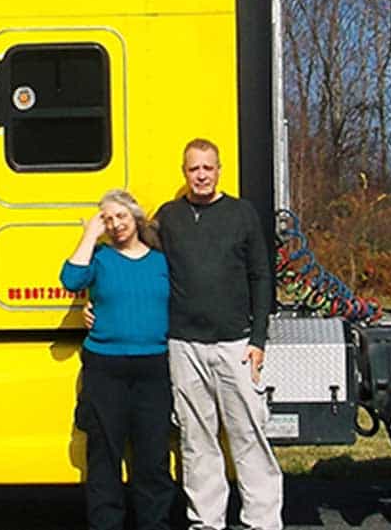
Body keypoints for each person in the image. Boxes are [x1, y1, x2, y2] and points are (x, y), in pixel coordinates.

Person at [154, 138, 281, 530]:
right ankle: (206, 521)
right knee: (197, 441)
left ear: (219, 169)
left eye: (208, 167)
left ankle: (262, 521)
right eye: (194, 168)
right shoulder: (169, 216)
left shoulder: (242, 214)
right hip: (184, 343)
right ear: (184, 172)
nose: (202, 175)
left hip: (236, 343)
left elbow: (261, 277)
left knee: (249, 436)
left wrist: (258, 339)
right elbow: (137, 260)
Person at [60, 189, 175, 530]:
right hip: (105, 369)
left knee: (153, 459)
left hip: (153, 369)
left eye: (120, 216)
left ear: (136, 218)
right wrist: (89, 235)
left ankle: (154, 524)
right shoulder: (99, 259)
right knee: (104, 458)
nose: (115, 224)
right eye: (107, 219)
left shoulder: (162, 261)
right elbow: (70, 279)